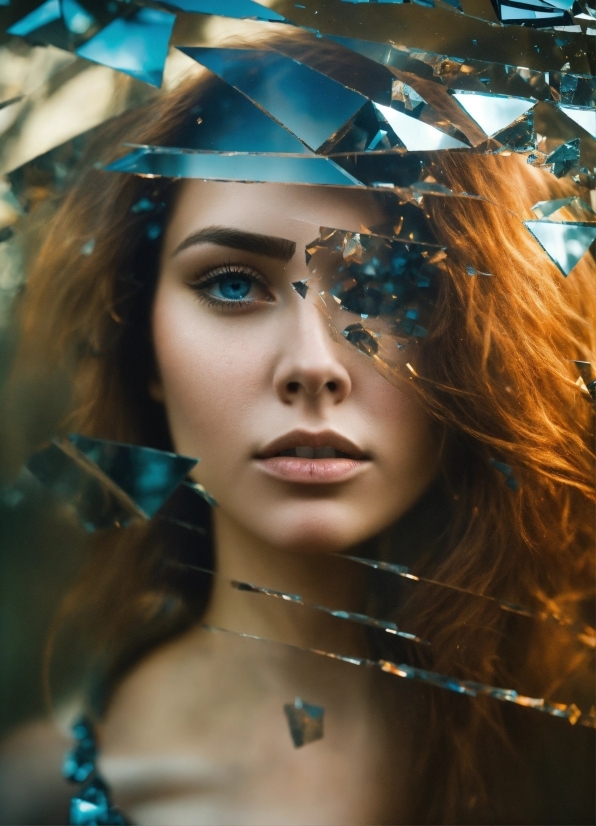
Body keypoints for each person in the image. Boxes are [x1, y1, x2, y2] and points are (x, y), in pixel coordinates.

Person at [0, 27, 594, 826]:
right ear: (142, 341)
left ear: (481, 341)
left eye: (386, 283)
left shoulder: (567, 758)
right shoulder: (33, 799)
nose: (314, 364)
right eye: (235, 284)